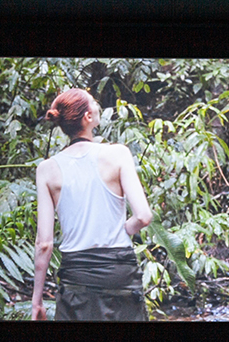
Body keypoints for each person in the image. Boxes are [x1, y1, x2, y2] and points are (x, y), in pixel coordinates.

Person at [31, 88, 153, 321]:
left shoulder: (47, 169)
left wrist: (36, 301)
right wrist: (122, 230)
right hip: (119, 272)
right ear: (88, 117)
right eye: (94, 103)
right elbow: (144, 216)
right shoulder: (118, 154)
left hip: (76, 275)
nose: (98, 106)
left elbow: (44, 243)